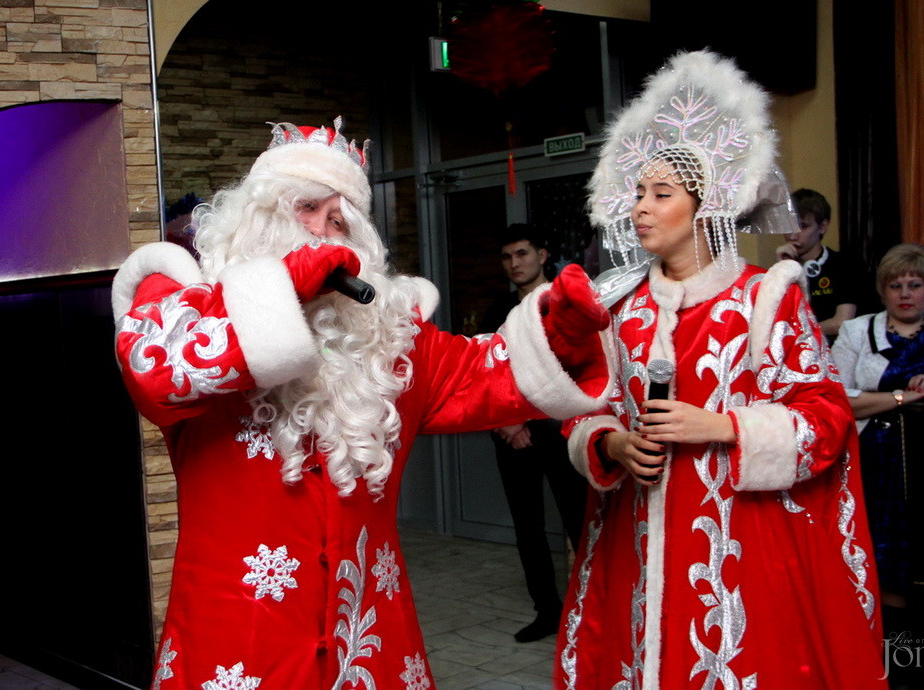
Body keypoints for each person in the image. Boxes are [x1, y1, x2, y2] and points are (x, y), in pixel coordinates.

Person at [112, 119, 613, 689]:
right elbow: (152, 373)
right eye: (306, 210)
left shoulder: (385, 340)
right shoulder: (181, 298)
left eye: (338, 220)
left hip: (370, 646)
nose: (324, 234)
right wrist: (281, 289)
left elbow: (478, 374)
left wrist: (558, 334)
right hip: (236, 647)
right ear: (256, 218)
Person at [556, 51, 885, 689]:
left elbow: (826, 416)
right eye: (639, 194)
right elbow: (586, 411)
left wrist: (724, 426)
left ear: (707, 205)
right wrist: (611, 443)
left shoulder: (766, 297)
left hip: (742, 547)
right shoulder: (619, 307)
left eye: (661, 194)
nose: (641, 208)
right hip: (634, 539)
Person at [832, 243, 924, 619]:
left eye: (914, 284)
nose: (905, 294)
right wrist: (903, 396)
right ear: (882, 290)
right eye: (896, 286)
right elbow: (836, 398)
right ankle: (894, 646)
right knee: (883, 552)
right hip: (876, 460)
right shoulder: (858, 331)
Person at [479, 224, 587, 643]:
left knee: (579, 521)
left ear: (542, 255)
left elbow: (581, 367)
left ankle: (590, 607)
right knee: (528, 526)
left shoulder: (565, 303)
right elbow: (485, 373)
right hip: (513, 433)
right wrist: (506, 424)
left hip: (561, 430)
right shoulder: (496, 310)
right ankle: (547, 610)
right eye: (507, 257)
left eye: (522, 254)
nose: (514, 264)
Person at [775, 188, 857, 337]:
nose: (792, 235)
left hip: (835, 352)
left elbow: (842, 323)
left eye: (802, 226)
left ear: (822, 227)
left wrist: (799, 334)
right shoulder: (780, 269)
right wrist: (782, 271)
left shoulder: (844, 265)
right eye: (788, 226)